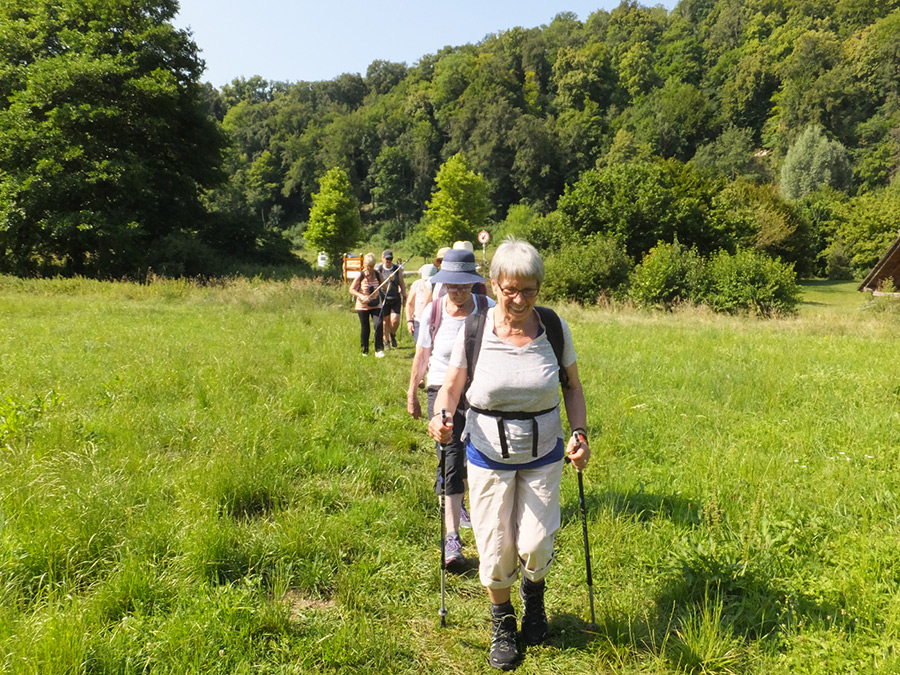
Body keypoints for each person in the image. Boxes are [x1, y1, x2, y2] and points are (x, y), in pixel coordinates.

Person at [427, 238, 590, 671]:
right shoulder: (475, 329)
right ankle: (502, 622)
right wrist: (441, 416)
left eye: (528, 290)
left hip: (543, 454)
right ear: (495, 284)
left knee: (536, 543)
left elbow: (573, 388)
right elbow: (450, 388)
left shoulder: (553, 328)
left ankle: (534, 598)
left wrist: (579, 434)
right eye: (510, 290)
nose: (518, 300)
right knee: (496, 549)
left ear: (539, 287)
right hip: (487, 456)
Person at [408, 249, 495, 570]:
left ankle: (489, 528)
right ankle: (452, 539)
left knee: (480, 460)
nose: (457, 292)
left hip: (480, 393)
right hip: (441, 392)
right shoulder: (433, 311)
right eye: (452, 285)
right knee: (452, 459)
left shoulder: (488, 308)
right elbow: (422, 355)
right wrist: (412, 393)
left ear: (473, 283)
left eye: (464, 285)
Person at [349, 252, 385, 358]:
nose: (370, 268)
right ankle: (365, 350)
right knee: (365, 328)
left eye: (372, 266)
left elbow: (385, 286)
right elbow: (351, 289)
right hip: (363, 305)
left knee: (378, 324)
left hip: (376, 304)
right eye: (368, 266)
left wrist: (388, 282)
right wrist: (361, 296)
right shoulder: (360, 275)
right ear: (365, 264)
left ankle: (379, 349)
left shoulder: (378, 274)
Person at [375, 250, 407, 349]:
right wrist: (388, 280)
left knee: (395, 320)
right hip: (383, 297)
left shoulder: (397, 269)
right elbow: (377, 284)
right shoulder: (379, 269)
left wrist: (404, 296)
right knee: (385, 321)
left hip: (395, 297)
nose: (388, 261)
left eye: (390, 259)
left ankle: (392, 334)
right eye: (386, 258)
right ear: (382, 258)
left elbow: (402, 283)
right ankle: (386, 342)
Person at [405, 263, 437, 343]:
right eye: (426, 280)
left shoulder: (438, 287)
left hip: (435, 322)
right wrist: (409, 321)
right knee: (420, 344)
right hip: (418, 321)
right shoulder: (417, 284)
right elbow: (409, 304)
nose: (428, 282)